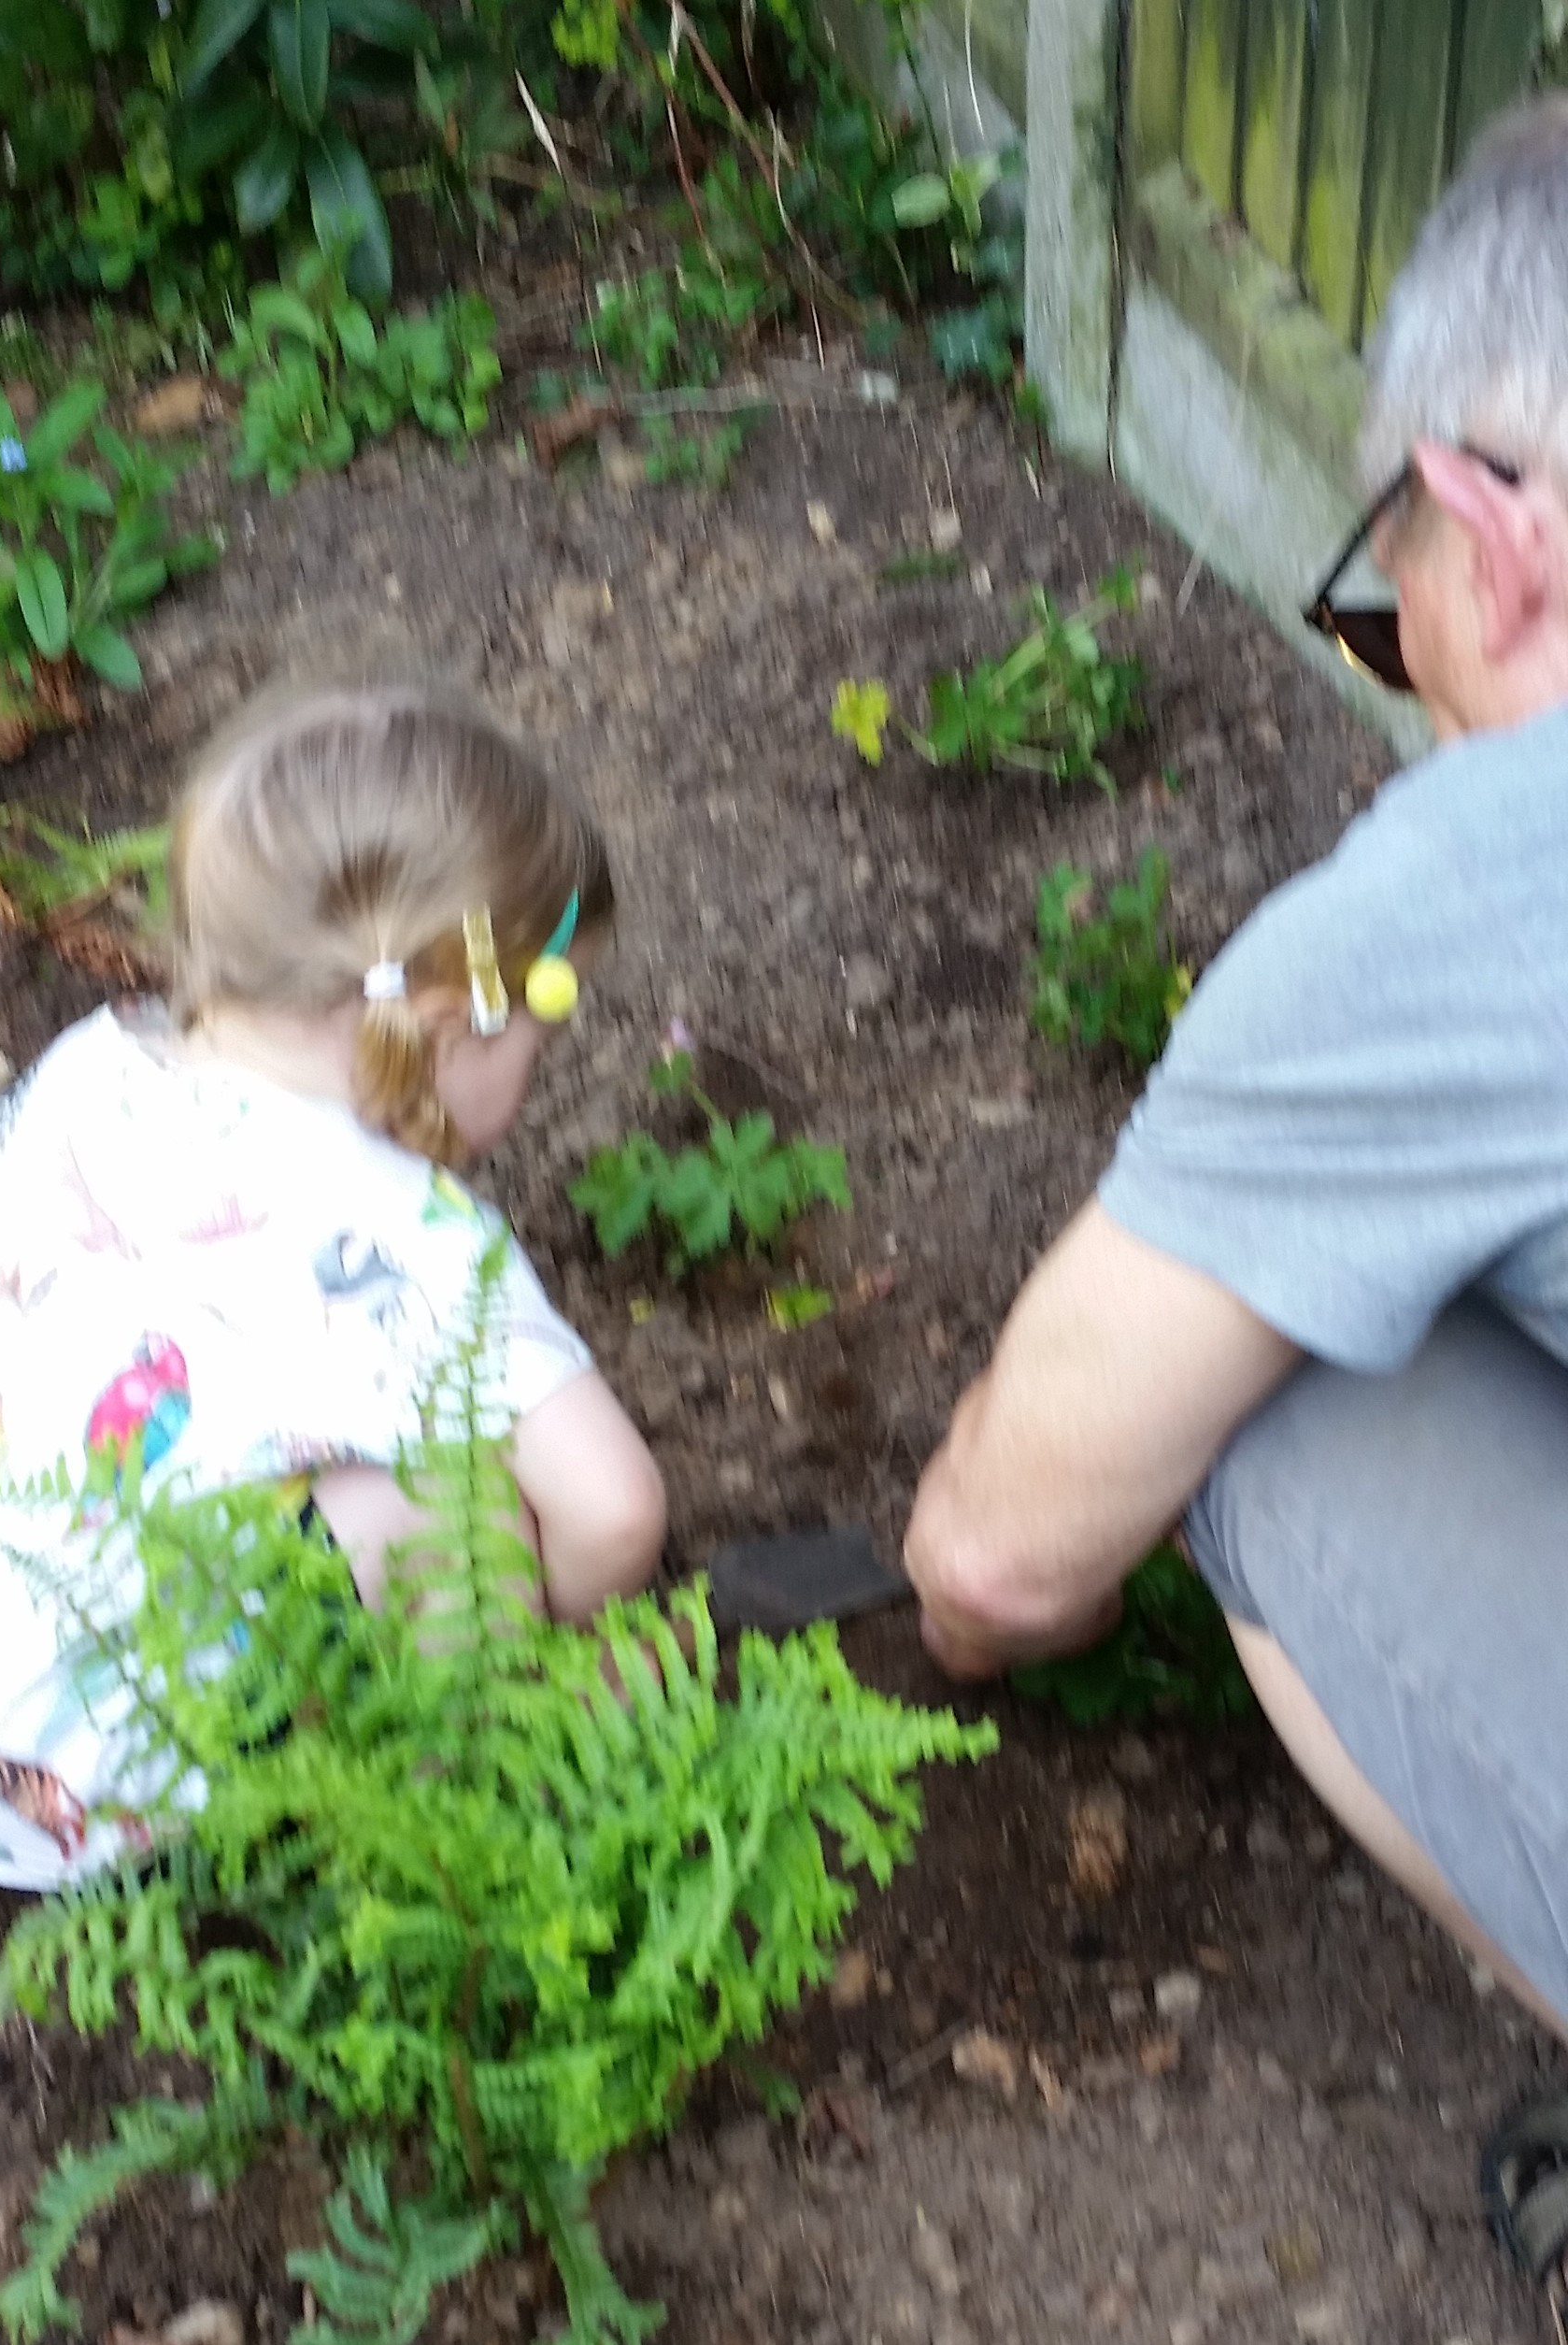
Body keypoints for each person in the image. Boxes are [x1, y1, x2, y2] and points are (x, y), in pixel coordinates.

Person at [904, 97, 1568, 2309]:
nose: (1403, 663)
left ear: (1487, 529)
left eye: (1391, 611)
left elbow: (1009, 1539)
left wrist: (962, 1636)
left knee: (1274, 1406)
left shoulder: (1478, 893)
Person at [0, 682, 665, 1892]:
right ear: (437, 1020)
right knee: (463, 1511)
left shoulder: (97, 1064)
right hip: (105, 1795)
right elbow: (617, 1509)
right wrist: (564, 1636)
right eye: (545, 1020)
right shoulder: (416, 1241)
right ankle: (451, 1821)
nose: (551, 1053)